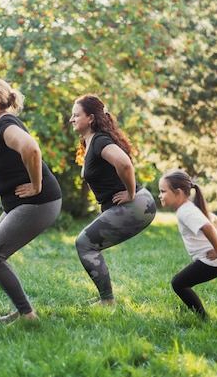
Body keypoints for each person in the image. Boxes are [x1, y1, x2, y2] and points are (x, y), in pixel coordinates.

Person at [0, 78, 62, 321]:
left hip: (38, 202)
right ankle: (23, 311)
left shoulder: (6, 126)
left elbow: (31, 148)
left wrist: (36, 185)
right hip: (19, 205)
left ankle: (27, 315)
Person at [69, 94, 156, 305]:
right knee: (87, 243)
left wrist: (130, 193)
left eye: (75, 115)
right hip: (137, 203)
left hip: (137, 203)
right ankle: (106, 299)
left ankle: (107, 301)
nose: (71, 119)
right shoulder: (90, 142)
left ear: (90, 118)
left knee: (85, 243)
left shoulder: (99, 140)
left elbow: (124, 164)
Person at [158, 169, 217, 319]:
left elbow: (207, 226)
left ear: (178, 193)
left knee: (179, 283)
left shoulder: (185, 211)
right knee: (181, 283)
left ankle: (203, 318)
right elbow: (213, 219)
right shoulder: (187, 208)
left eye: (163, 191)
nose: (160, 195)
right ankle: (201, 316)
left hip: (215, 261)